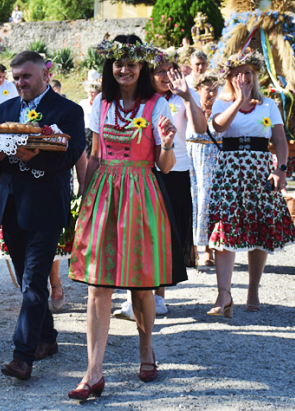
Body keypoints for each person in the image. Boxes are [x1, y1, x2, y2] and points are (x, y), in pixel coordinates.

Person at [68, 37, 183, 399]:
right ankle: (93, 371)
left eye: (132, 63)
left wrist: (165, 144)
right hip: (103, 192)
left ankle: (146, 346)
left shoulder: (157, 104)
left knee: (141, 284)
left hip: (141, 191)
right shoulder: (100, 103)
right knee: (97, 285)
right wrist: (84, 202)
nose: (124, 69)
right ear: (110, 67)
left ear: (142, 67)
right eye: (118, 63)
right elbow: (95, 155)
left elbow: (165, 167)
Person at [0, 51, 85, 381]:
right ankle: (48, 338)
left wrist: (36, 155)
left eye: (26, 76)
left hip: (46, 206)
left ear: (45, 73)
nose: (20, 83)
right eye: (16, 77)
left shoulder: (68, 110)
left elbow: (69, 155)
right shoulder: (5, 110)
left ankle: (22, 357)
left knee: (33, 280)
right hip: (12, 206)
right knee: (28, 280)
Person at [207, 52, 295, 316]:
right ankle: (223, 294)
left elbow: (280, 140)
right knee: (225, 227)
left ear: (255, 75)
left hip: (259, 171)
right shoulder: (221, 102)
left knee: (259, 229)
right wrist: (238, 101)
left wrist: (280, 169)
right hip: (230, 169)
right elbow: (219, 128)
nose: (243, 78)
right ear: (228, 77)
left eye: (247, 72)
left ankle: (253, 288)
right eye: (237, 73)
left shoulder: (268, 104)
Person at [151, 48, 206, 314]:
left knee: (167, 233)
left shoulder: (185, 94)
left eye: (169, 70)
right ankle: (137, 289)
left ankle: (159, 294)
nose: (165, 76)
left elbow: (201, 128)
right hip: (145, 170)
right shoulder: (142, 99)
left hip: (176, 170)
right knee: (145, 231)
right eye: (159, 70)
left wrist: (186, 97)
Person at [186, 71, 222, 267]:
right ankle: (192, 249)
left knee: (211, 201)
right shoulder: (190, 107)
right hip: (193, 157)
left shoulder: (221, 109)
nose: (212, 94)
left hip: (214, 158)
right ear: (198, 90)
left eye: (215, 89)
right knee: (192, 200)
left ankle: (209, 249)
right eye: (208, 89)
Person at [79, 70, 102, 158]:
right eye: (89, 93)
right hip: (85, 131)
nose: (91, 95)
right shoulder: (83, 103)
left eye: (93, 92)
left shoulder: (100, 104)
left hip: (95, 131)